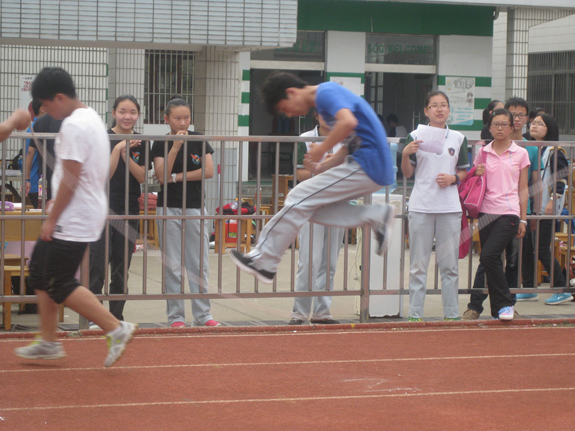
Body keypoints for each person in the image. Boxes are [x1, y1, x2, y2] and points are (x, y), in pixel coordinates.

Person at [14, 67, 137, 366]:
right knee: (40, 273)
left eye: (46, 105)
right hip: (78, 211)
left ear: (58, 97)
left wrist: (53, 217)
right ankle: (48, 341)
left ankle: (116, 328)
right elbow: (77, 175)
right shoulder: (89, 116)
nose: (46, 112)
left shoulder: (72, 127)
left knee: (58, 282)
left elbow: (71, 177)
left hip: (74, 218)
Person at [229, 72, 395, 284]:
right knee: (309, 208)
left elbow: (348, 122)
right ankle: (376, 214)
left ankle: (264, 260)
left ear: (291, 92)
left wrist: (321, 149)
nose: (288, 115)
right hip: (368, 163)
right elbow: (347, 145)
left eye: (283, 108)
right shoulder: (325, 106)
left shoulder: (326, 91)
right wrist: (322, 165)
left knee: (297, 196)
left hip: (368, 163)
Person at [463, 97, 538, 319]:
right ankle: (499, 310)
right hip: (485, 210)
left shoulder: (520, 153)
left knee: (488, 255)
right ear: (489, 126)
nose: (500, 128)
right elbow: (473, 181)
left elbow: (523, 188)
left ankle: (505, 304)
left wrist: (523, 219)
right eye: (496, 124)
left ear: (512, 126)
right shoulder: (483, 152)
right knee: (491, 259)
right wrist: (474, 173)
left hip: (509, 212)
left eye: (505, 124)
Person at [150, 96, 220, 328]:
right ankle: (176, 317)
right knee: (173, 263)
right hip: (168, 207)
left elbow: (208, 171)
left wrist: (176, 178)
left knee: (199, 263)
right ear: (167, 119)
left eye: (186, 118)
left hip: (195, 206)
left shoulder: (199, 139)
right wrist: (176, 146)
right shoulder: (161, 142)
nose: (182, 123)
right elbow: (161, 176)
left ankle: (203, 315)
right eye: (177, 118)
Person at [401, 91, 469, 321]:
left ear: (449, 109)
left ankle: (451, 314)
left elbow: (463, 170)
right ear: (426, 110)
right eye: (434, 106)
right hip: (421, 206)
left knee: (449, 265)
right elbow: (408, 173)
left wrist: (454, 179)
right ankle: (415, 313)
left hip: (449, 207)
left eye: (444, 105)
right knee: (418, 264)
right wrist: (405, 154)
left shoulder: (459, 138)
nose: (440, 109)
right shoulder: (414, 135)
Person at [88, 95, 148, 326]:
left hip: (129, 207)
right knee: (97, 264)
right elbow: (103, 176)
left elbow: (142, 176)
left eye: (132, 112)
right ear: (113, 113)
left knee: (122, 266)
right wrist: (120, 148)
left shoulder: (142, 141)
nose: (127, 116)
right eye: (122, 111)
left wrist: (126, 155)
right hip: (102, 207)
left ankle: (116, 318)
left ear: (138, 115)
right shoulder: (102, 137)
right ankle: (95, 317)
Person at [289, 111, 345, 325]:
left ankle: (322, 312)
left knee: (329, 262)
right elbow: (299, 173)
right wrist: (324, 168)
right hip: (311, 206)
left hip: (337, 205)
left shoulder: (345, 140)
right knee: (309, 261)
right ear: (316, 114)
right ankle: (299, 313)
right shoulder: (305, 140)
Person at [518, 113, 570, 305]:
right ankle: (529, 288)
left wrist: (552, 201)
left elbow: (561, 179)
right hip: (532, 207)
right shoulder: (532, 149)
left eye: (540, 124)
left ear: (549, 129)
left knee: (541, 249)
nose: (534, 126)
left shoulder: (555, 151)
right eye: (533, 123)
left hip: (546, 209)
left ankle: (561, 287)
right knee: (527, 248)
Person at [27, 113, 63, 202]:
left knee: (44, 208)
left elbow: (30, 152)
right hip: (63, 176)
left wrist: (27, 179)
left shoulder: (39, 122)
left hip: (43, 177)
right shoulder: (67, 121)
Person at [24, 99, 45, 208]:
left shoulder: (30, 128)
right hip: (38, 183)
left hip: (32, 182)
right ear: (42, 109)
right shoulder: (40, 128)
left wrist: (26, 179)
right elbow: (30, 152)